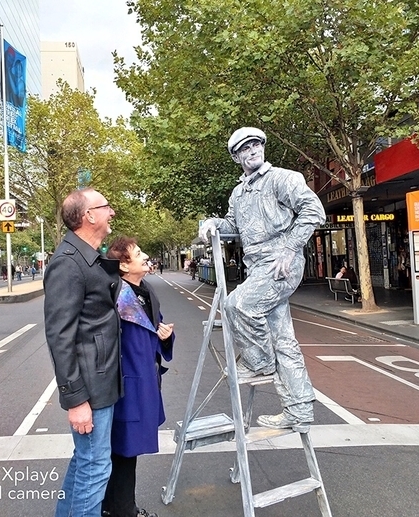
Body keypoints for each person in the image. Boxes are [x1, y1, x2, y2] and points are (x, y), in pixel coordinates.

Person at [199, 127, 326, 429]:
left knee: (236, 305)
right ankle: (299, 409)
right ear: (236, 156)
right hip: (258, 268)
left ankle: (259, 362)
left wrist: (290, 248)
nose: (253, 150)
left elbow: (314, 210)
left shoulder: (283, 178)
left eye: (256, 144)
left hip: (281, 264)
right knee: (284, 340)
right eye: (245, 148)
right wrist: (210, 223)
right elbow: (232, 223)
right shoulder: (239, 193)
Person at [43, 188, 122, 517]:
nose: (112, 212)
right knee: (95, 470)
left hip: (100, 380)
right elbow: (60, 336)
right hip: (90, 386)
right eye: (106, 207)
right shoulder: (67, 264)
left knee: (85, 463)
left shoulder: (87, 257)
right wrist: (76, 400)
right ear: (89, 216)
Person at [103, 237, 174, 517]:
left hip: (145, 381)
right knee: (122, 451)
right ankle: (121, 510)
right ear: (123, 265)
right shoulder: (116, 296)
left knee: (126, 451)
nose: (145, 256)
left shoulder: (145, 291)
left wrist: (165, 336)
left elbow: (155, 327)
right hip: (126, 386)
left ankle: (116, 507)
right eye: (138, 254)